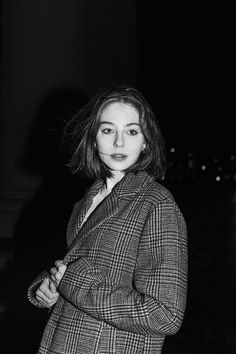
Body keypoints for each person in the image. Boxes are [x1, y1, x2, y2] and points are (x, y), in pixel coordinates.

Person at [28, 85, 188, 353]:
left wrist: (72, 282)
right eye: (108, 130)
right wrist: (49, 288)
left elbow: (165, 315)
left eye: (132, 131)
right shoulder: (87, 200)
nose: (119, 143)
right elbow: (82, 268)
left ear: (146, 141)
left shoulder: (156, 204)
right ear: (93, 138)